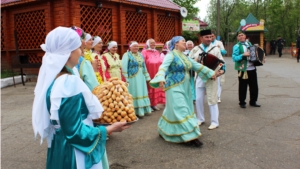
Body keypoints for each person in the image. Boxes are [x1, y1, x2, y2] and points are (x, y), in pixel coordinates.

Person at [32, 27, 130, 169]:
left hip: (60, 144)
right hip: (75, 151)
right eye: (78, 48)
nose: (82, 51)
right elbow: (74, 132)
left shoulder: (53, 77)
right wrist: (109, 129)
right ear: (68, 53)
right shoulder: (67, 83)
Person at [149, 36, 216, 147]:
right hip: (173, 86)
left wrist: (211, 73)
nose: (185, 43)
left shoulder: (185, 57)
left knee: (174, 110)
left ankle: (163, 130)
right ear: (176, 44)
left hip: (185, 87)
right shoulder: (170, 55)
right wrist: (161, 77)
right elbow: (163, 67)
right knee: (181, 109)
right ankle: (190, 136)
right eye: (183, 41)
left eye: (185, 41)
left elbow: (197, 66)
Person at [189, 29, 226, 130]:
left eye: (210, 37)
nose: (209, 39)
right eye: (207, 37)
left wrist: (220, 72)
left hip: (212, 77)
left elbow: (222, 63)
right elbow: (188, 61)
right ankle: (200, 119)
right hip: (199, 77)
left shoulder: (215, 49)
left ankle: (215, 121)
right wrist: (195, 60)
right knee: (199, 99)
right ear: (201, 38)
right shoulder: (196, 49)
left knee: (212, 98)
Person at [122, 41, 152, 117]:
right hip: (133, 78)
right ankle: (134, 111)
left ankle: (144, 110)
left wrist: (147, 77)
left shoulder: (141, 55)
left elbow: (144, 66)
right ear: (130, 47)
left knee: (142, 92)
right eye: (134, 46)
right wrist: (126, 79)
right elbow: (124, 67)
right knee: (135, 92)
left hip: (141, 77)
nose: (136, 48)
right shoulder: (126, 55)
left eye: (137, 46)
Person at [232, 31, 261, 108]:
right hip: (243, 69)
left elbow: (254, 53)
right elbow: (234, 58)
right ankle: (242, 102)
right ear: (238, 38)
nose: (241, 37)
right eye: (239, 36)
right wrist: (242, 55)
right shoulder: (236, 46)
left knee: (254, 86)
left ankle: (253, 101)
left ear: (245, 36)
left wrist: (261, 58)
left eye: (242, 35)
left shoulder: (250, 44)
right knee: (243, 86)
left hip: (252, 68)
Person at [71, 26, 99, 91]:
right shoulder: (83, 63)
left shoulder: (59, 61)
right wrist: (94, 71)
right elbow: (94, 88)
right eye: (84, 39)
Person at [142, 38, 166, 111]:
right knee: (150, 87)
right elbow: (143, 63)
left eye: (154, 43)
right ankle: (149, 105)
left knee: (156, 86)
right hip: (150, 72)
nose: (153, 44)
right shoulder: (144, 52)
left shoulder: (157, 52)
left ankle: (154, 104)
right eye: (151, 43)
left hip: (157, 72)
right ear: (148, 44)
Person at [211, 31, 227, 103]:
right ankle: (212, 96)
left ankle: (218, 96)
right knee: (212, 79)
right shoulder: (207, 43)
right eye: (210, 36)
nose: (211, 37)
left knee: (218, 80)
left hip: (219, 62)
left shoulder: (219, 42)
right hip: (210, 63)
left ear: (215, 36)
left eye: (212, 36)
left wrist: (219, 49)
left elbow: (224, 52)